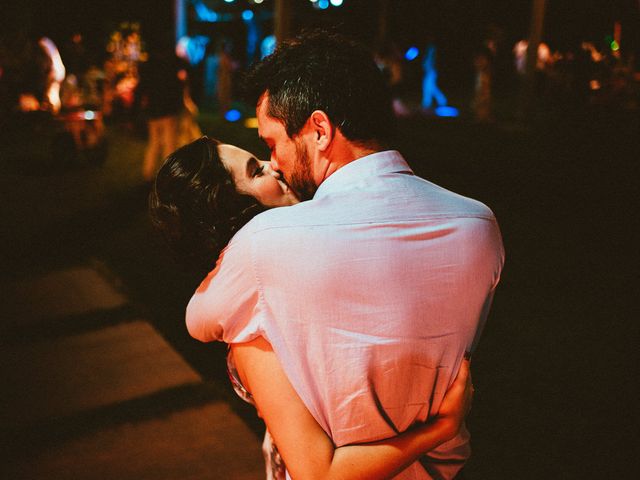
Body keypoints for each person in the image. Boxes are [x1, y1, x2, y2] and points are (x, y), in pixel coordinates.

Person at [182, 30, 503, 478]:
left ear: (319, 130)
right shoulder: (478, 225)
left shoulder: (267, 243)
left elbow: (199, 319)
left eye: (272, 143)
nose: (274, 161)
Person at [149, 136, 475, 479]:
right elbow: (319, 473)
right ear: (232, 209)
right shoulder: (253, 329)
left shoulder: (309, 261)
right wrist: (441, 428)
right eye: (257, 171)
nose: (274, 165)